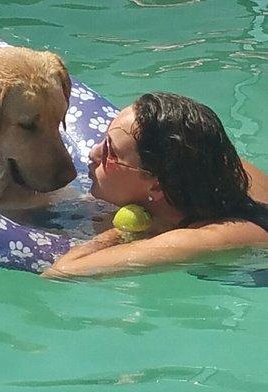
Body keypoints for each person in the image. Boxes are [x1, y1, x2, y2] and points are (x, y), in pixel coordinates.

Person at [42, 92, 268, 278]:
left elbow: (62, 271)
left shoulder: (200, 239)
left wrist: (124, 232)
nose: (93, 153)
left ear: (156, 186)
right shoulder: (213, 167)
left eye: (110, 153)